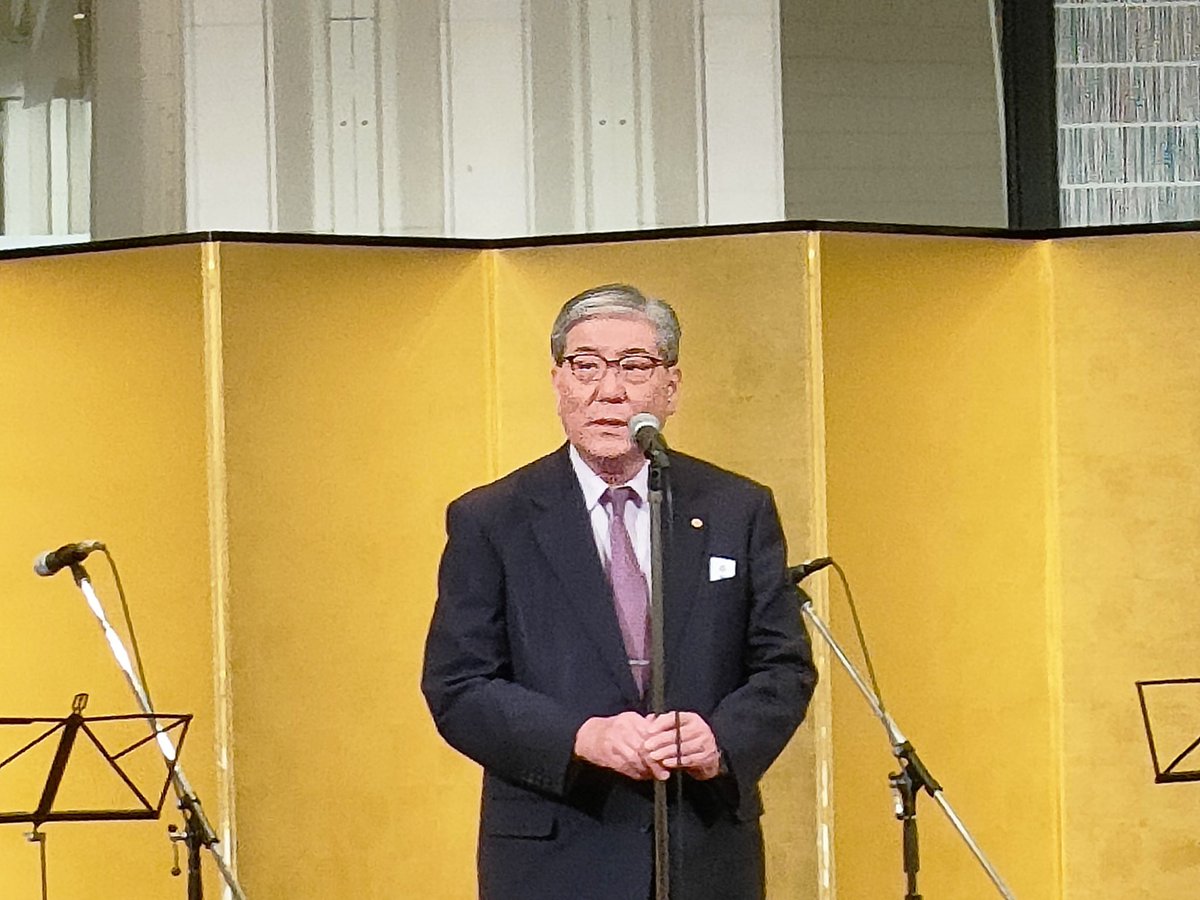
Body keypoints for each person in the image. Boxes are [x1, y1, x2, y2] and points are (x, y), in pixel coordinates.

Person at [422, 283, 817, 899]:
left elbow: (783, 665)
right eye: (586, 366)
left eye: (634, 366)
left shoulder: (735, 509)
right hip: (554, 853)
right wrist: (583, 737)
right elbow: (458, 686)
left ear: (671, 388)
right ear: (558, 382)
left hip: (703, 848)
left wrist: (721, 741)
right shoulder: (493, 519)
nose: (609, 391)